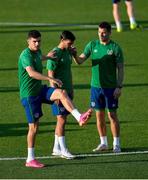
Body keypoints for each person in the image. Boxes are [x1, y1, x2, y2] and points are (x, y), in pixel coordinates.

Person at [18, 30, 92, 168]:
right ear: (28, 41)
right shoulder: (25, 55)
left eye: (39, 41)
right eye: (34, 41)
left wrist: (47, 57)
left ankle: (79, 117)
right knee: (34, 127)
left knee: (62, 93)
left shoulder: (38, 52)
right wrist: (50, 78)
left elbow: (39, 57)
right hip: (29, 95)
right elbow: (31, 73)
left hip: (39, 90)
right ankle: (30, 159)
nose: (37, 43)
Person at [72, 22, 124, 153]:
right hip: (95, 87)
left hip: (110, 87)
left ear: (110, 33)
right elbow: (80, 61)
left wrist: (119, 87)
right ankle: (103, 143)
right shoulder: (92, 45)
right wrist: (74, 54)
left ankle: (116, 144)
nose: (101, 34)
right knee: (99, 116)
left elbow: (121, 69)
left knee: (112, 115)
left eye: (104, 32)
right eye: (99, 32)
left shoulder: (115, 48)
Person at [47, 30, 84, 159]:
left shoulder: (68, 52)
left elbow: (69, 70)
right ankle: (63, 150)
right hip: (59, 93)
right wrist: (54, 92)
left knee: (62, 120)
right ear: (62, 40)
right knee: (61, 120)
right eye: (69, 43)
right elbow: (50, 74)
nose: (70, 45)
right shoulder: (55, 54)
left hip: (68, 91)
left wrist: (74, 54)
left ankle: (56, 148)